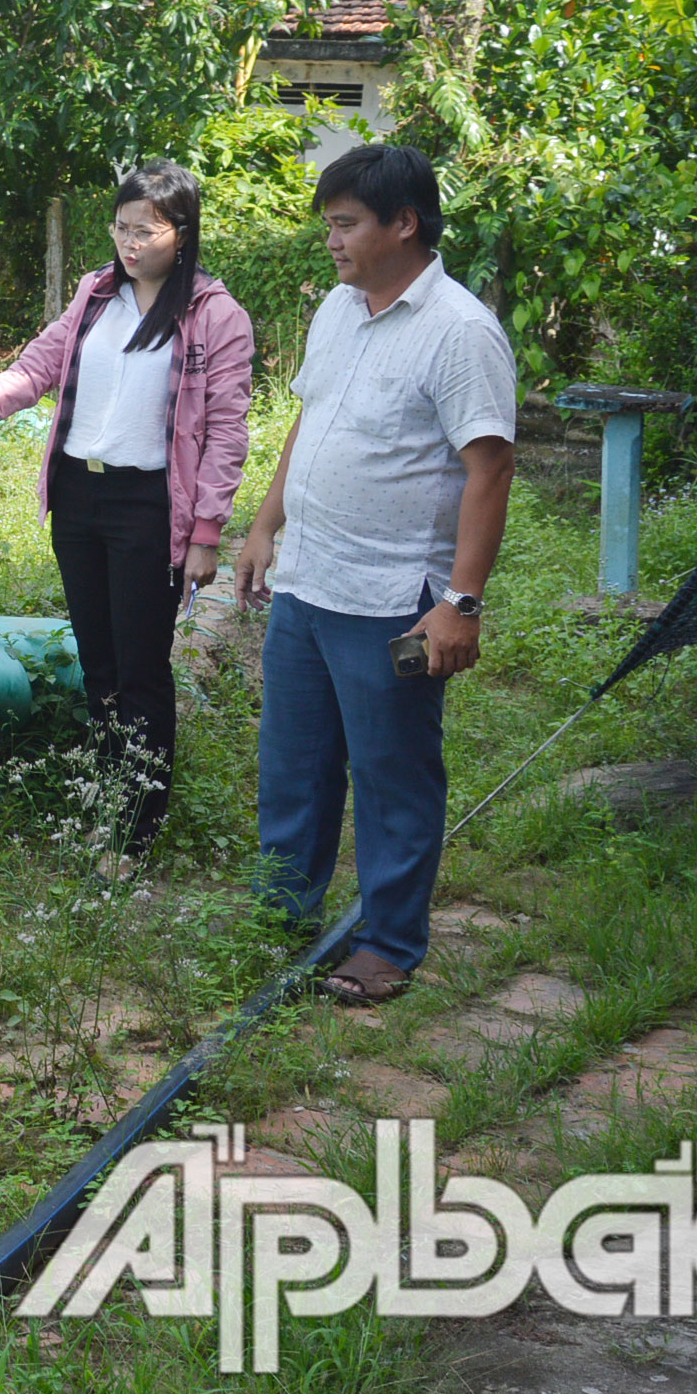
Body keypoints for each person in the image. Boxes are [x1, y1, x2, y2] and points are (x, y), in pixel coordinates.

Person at [0, 162, 255, 864]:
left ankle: (135, 834)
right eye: (121, 228)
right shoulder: (95, 295)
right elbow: (33, 371)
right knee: (100, 667)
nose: (129, 243)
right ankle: (106, 799)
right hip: (79, 499)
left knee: (143, 670)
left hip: (149, 506)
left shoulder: (214, 316)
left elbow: (227, 430)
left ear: (182, 233)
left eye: (144, 231)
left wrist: (207, 534)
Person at [233, 143, 517, 1006]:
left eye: (347, 224)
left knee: (392, 775)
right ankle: (282, 916)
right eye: (329, 224)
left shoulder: (461, 332)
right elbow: (313, 421)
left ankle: (388, 944)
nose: (333, 241)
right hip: (310, 583)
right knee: (294, 766)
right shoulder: (339, 308)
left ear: (405, 223)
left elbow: (490, 469)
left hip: (394, 599)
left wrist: (460, 603)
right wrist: (265, 522)